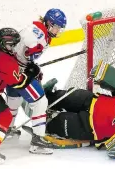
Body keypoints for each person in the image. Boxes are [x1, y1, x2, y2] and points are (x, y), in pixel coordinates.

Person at [0, 27, 52, 164]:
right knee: (4, 115)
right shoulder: (5, 62)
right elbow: (20, 83)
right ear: (2, 43)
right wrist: (31, 72)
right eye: (11, 45)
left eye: (15, 44)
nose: (13, 48)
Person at [5, 8, 67, 138]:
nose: (58, 31)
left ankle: (6, 128)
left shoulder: (40, 30)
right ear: (49, 23)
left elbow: (23, 52)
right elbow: (27, 48)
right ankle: (38, 140)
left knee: (14, 99)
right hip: (17, 71)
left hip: (11, 69)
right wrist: (29, 65)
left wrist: (31, 65)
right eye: (56, 27)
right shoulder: (38, 34)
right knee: (40, 101)